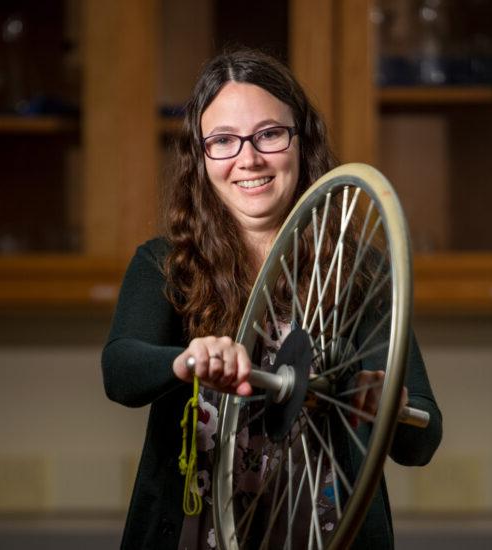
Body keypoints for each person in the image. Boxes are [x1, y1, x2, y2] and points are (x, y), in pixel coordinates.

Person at [102, 48, 442, 550]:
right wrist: (187, 361)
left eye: (269, 134)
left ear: (302, 140)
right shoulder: (165, 264)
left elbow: (423, 439)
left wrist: (382, 405)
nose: (249, 158)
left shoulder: (357, 272)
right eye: (223, 140)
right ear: (200, 157)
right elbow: (120, 370)